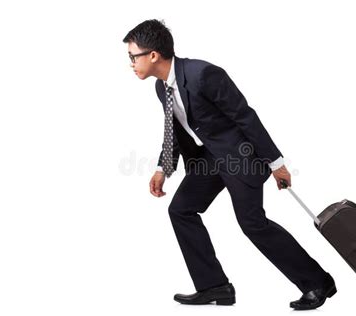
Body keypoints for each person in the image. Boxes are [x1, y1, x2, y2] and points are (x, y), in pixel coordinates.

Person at [123, 19, 336, 310]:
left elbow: (245, 116)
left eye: (132, 56)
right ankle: (214, 286)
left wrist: (275, 163)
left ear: (153, 55)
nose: (130, 63)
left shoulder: (203, 74)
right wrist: (163, 168)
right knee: (181, 209)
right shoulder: (162, 89)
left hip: (240, 157)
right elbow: (172, 132)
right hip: (211, 159)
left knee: (252, 224)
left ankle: (317, 283)